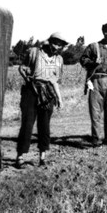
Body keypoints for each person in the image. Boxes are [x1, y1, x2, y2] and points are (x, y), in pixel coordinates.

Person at [16, 32, 68, 167]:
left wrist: (59, 99)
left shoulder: (59, 60)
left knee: (44, 125)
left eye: (60, 45)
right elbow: (22, 67)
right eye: (55, 43)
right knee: (27, 124)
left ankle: (43, 157)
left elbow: (56, 81)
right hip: (31, 91)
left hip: (48, 93)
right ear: (50, 42)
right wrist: (27, 77)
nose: (57, 47)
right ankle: (20, 157)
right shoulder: (34, 52)